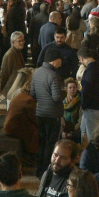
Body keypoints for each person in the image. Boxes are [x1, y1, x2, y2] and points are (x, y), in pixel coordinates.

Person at [31, 49, 65, 177]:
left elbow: (33, 94)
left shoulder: (36, 72)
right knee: (51, 145)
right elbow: (56, 97)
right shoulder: (53, 75)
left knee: (42, 143)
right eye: (60, 59)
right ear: (54, 60)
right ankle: (46, 171)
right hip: (52, 114)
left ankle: (38, 168)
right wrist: (65, 93)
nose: (61, 61)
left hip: (40, 113)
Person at [78, 47, 99, 142]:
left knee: (93, 137)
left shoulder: (89, 71)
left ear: (81, 58)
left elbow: (87, 91)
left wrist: (84, 105)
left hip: (93, 107)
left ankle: (95, 155)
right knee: (83, 129)